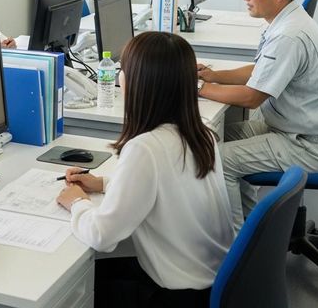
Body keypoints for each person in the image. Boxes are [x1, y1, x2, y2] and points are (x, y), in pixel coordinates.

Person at [56, 32, 233, 308]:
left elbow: (102, 236)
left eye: (123, 71)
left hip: (176, 296)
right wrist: (103, 183)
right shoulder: (201, 133)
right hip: (209, 282)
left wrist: (77, 202)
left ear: (138, 84)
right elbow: (169, 188)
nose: (119, 77)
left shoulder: (146, 148)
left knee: (71, 285)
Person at [197, 0, 318, 231]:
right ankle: (256, 230)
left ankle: (238, 244)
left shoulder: (289, 35)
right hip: (293, 127)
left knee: (218, 159)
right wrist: (214, 76)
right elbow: (261, 70)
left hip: (310, 146)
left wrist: (201, 89)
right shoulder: (287, 21)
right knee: (212, 136)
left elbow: (253, 96)